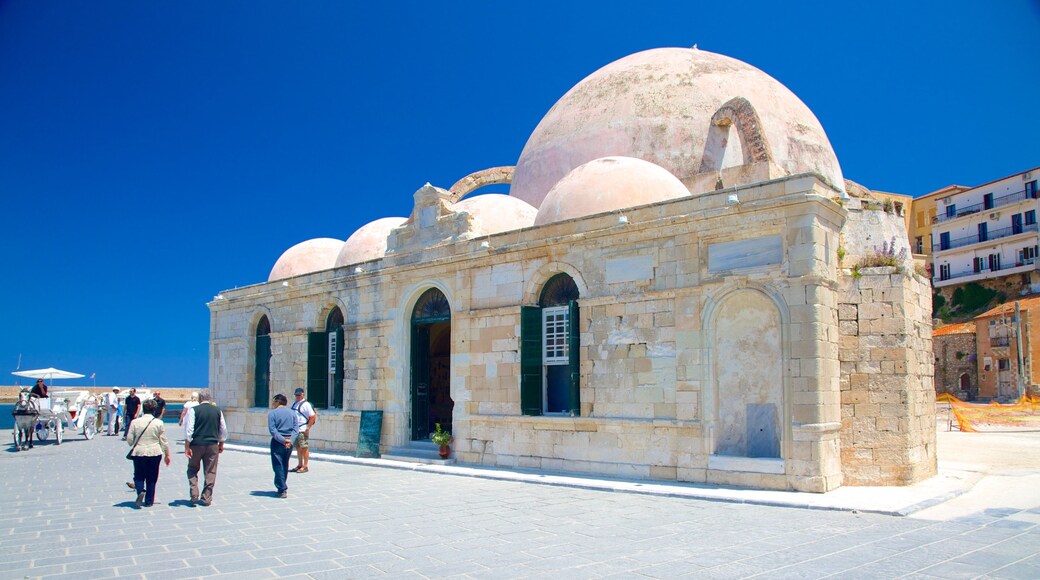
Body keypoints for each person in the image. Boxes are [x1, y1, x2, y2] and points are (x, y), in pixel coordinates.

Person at [183, 389, 227, 506]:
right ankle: (206, 497)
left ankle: (194, 492)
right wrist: (221, 443)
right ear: (210, 398)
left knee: (192, 468)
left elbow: (189, 429)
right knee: (210, 471)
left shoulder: (194, 410)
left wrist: (187, 445)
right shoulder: (217, 411)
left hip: (196, 444)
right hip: (212, 445)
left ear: (199, 398)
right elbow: (223, 429)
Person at [126, 399, 171, 508]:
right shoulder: (159, 423)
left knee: (139, 475)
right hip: (155, 452)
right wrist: (167, 454)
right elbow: (163, 441)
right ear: (154, 410)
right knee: (152, 477)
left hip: (139, 452)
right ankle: (149, 501)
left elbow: (129, 440)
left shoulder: (135, 422)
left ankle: (140, 491)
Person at [268, 393, 298, 499]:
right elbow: (296, 429)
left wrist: (282, 440)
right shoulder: (293, 413)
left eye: (273, 401)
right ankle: (282, 485)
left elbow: (273, 430)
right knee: (285, 464)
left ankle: (282, 488)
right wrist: (290, 440)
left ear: (277, 401)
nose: (272, 403)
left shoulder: (272, 414)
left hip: (278, 442)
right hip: (289, 442)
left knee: (278, 465)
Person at [289, 388, 316, 473]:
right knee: (298, 447)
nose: (297, 396)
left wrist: (308, 428)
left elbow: (312, 416)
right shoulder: (295, 404)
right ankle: (300, 464)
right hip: (296, 429)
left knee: (304, 447)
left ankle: (305, 466)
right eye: (296, 395)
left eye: (299, 395)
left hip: (302, 429)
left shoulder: (306, 404)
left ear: (303, 395)